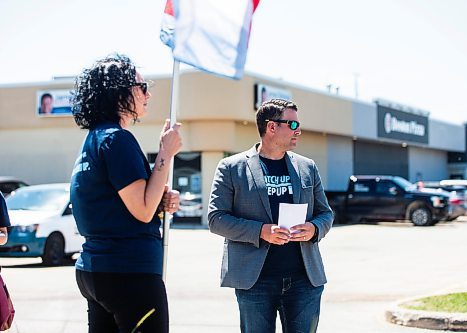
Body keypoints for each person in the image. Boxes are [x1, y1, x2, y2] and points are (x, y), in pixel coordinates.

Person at [70, 54, 182, 333]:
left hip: (97, 271)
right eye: (142, 88)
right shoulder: (117, 139)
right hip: (128, 273)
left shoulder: (94, 139)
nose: (148, 95)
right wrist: (166, 153)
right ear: (119, 92)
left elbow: (121, 203)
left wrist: (159, 199)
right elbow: (142, 210)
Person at [208, 99, 334, 332]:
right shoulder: (231, 167)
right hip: (255, 282)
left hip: (304, 280)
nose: (298, 130)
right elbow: (216, 219)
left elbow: (325, 214)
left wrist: (314, 229)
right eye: (293, 124)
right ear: (272, 127)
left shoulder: (308, 167)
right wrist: (261, 231)